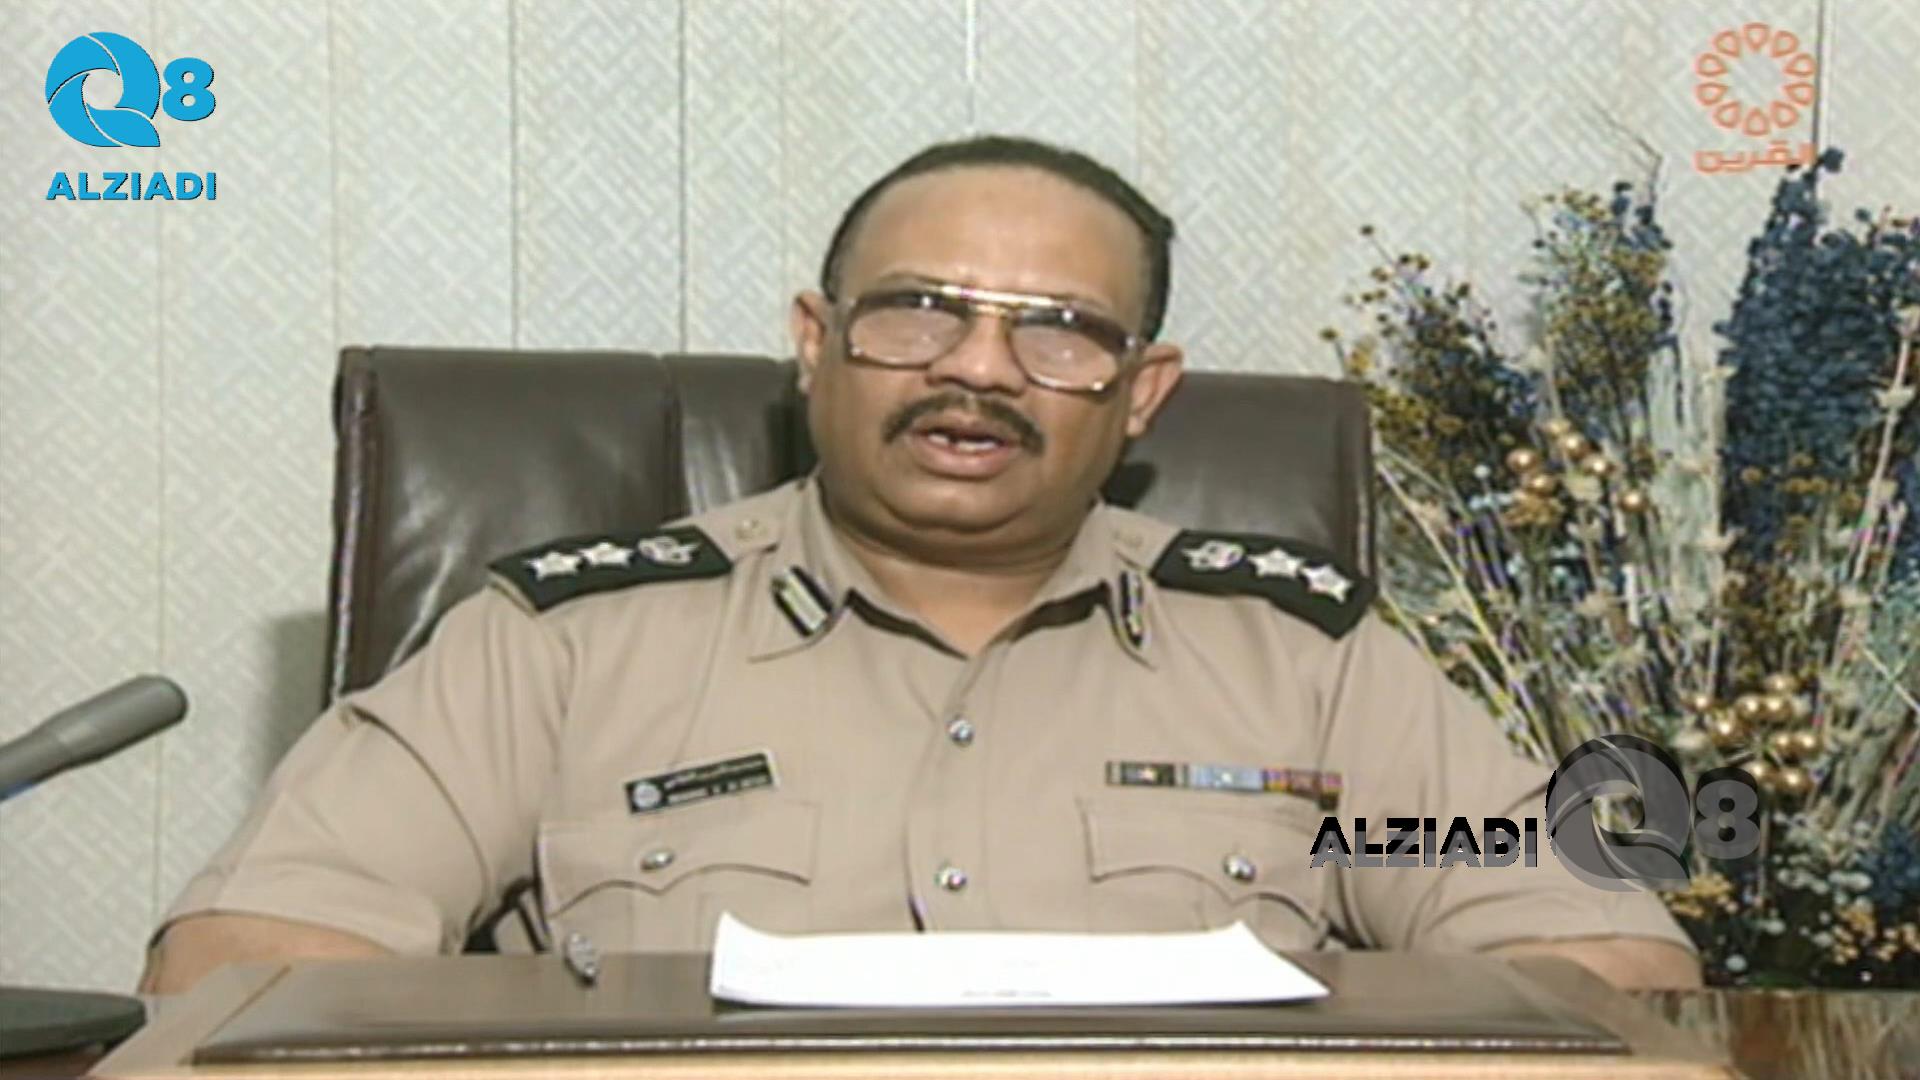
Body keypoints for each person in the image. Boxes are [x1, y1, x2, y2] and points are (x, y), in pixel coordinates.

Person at [142, 135, 1700, 995]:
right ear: (815, 345)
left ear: (1142, 393)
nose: (978, 370)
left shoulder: (1305, 656)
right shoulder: (562, 637)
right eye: (918, 313)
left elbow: (1599, 954)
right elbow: (250, 963)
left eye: (1058, 333)